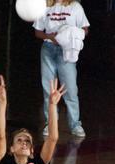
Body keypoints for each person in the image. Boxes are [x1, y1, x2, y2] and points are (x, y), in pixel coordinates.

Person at [33, 0, 90, 138]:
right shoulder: (45, 6)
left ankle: (75, 124)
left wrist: (71, 35)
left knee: (70, 89)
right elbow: (38, 32)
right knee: (49, 89)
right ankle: (50, 123)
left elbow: (85, 29)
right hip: (48, 49)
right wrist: (50, 37)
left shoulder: (75, 6)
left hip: (67, 50)